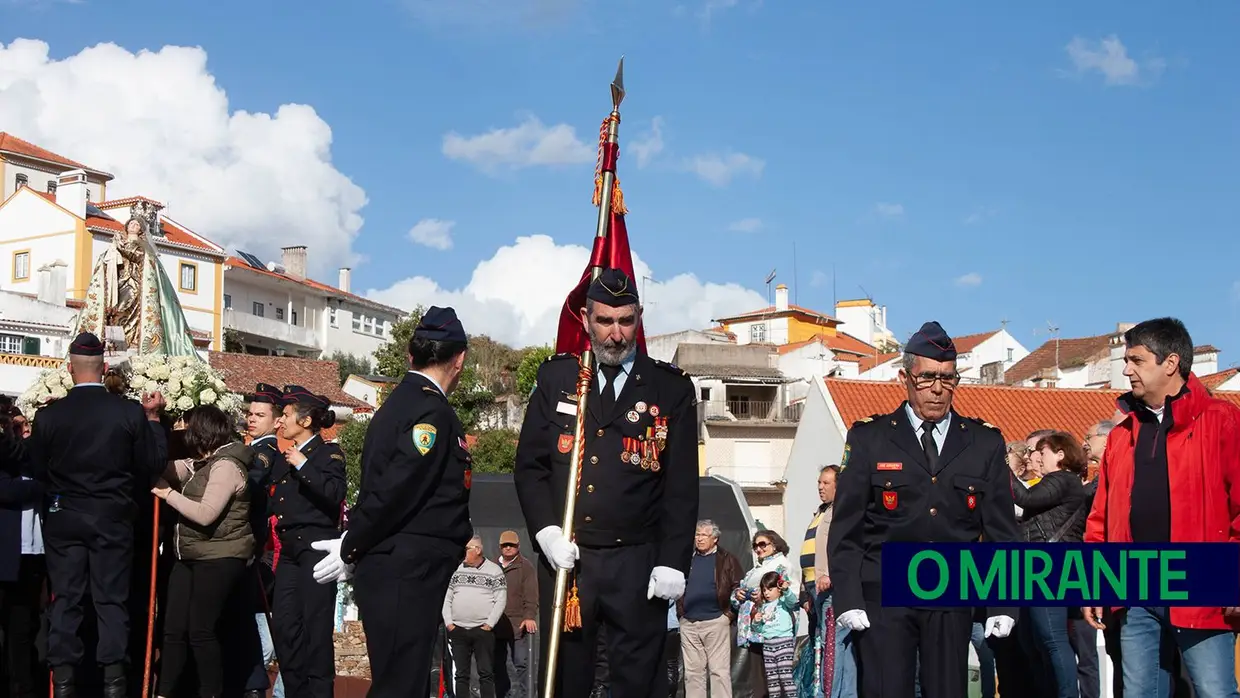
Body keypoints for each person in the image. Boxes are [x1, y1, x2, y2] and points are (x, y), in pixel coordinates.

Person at [514, 269, 699, 698]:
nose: (616, 334)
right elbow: (531, 467)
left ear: (639, 318)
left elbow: (681, 486)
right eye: (604, 321)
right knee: (566, 680)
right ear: (585, 318)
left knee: (639, 682)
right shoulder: (558, 378)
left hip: (638, 561)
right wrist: (546, 533)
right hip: (570, 560)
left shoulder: (669, 387)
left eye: (626, 321)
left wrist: (674, 560)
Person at [827, 321, 1020, 698]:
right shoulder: (870, 437)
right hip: (884, 590)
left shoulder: (983, 442)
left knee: (948, 690)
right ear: (905, 377)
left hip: (950, 587)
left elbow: (1001, 532)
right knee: (886, 689)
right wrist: (848, 596)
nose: (937, 389)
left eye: (948, 379)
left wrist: (1005, 603)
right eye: (927, 377)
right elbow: (847, 526)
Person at [312, 307, 474, 698]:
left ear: (409, 355)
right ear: (460, 359)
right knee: (400, 685)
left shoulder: (399, 404)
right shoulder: (430, 411)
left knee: (402, 680)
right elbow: (398, 489)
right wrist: (353, 545)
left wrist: (356, 542)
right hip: (408, 569)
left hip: (401, 567)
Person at [1083, 317, 1240, 698]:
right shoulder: (1122, 436)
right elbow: (1101, 519)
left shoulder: (1221, 422)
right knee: (1139, 693)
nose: (1126, 369)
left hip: (1203, 582)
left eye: (1136, 360)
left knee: (1215, 692)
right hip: (1135, 585)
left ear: (1170, 363)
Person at [29, 332, 168, 698]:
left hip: (65, 517)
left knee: (67, 599)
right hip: (112, 518)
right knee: (110, 600)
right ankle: (113, 683)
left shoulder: (49, 416)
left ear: (70, 369)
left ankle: (64, 682)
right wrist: (153, 420)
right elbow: (151, 465)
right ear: (104, 368)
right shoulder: (127, 412)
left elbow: (37, 470)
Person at [151, 404, 255, 698]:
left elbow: (206, 513)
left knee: (200, 630)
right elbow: (168, 467)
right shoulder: (201, 463)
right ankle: (165, 692)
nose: (183, 433)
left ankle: (210, 693)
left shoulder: (226, 466)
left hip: (220, 557)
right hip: (191, 555)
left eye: (187, 427)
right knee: (173, 629)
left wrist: (167, 494)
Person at [268, 386, 345, 698]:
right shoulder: (282, 458)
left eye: (286, 415)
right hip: (289, 551)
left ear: (306, 420)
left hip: (316, 548)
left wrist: (303, 464)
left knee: (316, 630)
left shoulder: (329, 454)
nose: (281, 421)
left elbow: (333, 494)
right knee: (285, 629)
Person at [72, 204, 198, 356]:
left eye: (137, 224)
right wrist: (112, 253)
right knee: (117, 311)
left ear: (141, 230)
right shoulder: (116, 244)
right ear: (126, 227)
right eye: (131, 223)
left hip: (135, 285)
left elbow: (140, 258)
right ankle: (116, 340)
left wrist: (121, 247)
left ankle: (133, 340)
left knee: (132, 312)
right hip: (119, 283)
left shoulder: (143, 247)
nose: (133, 225)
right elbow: (104, 260)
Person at [754, 571, 798, 698]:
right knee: (772, 679)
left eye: (770, 589)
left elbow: (793, 601)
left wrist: (786, 589)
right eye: (764, 590)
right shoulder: (762, 607)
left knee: (785, 676)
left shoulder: (783, 601)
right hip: (768, 645)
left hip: (784, 642)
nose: (766, 593)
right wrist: (756, 622)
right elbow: (759, 629)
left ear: (778, 589)